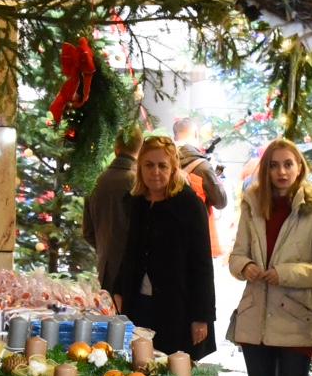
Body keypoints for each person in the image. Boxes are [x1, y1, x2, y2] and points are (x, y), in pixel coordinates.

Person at [228, 138, 312, 376]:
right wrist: (246, 267)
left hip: (295, 320)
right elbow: (236, 255)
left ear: (299, 167)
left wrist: (284, 273)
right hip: (256, 318)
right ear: (265, 170)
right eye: (274, 165)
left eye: (288, 164)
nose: (281, 171)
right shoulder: (253, 206)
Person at [114, 135, 216, 357]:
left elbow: (202, 264)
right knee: (138, 365)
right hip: (139, 303)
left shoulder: (189, 204)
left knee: (172, 373)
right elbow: (129, 251)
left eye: (162, 165)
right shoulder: (137, 202)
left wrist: (202, 316)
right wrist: (119, 289)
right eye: (149, 165)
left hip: (177, 305)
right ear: (140, 167)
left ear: (173, 168)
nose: (155, 172)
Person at [84, 123, 142, 293]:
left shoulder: (96, 181)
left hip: (105, 268)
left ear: (116, 148)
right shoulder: (138, 183)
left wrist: (105, 248)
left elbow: (87, 232)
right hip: (133, 271)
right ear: (140, 149)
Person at [174, 116, 228, 258]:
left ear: (175, 135)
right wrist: (215, 177)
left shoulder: (163, 161)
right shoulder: (202, 166)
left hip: (168, 235)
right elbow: (221, 202)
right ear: (196, 134)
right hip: (197, 237)